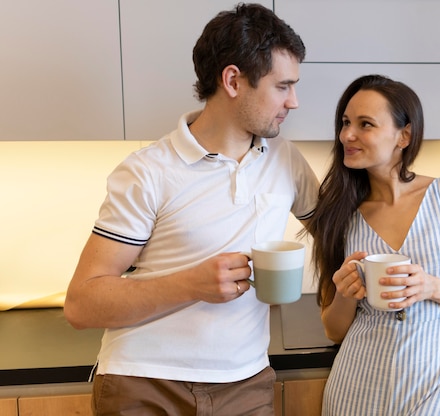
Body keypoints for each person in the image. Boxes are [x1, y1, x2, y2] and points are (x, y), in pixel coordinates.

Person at [63, 3, 319, 415]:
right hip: (143, 382)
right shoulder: (148, 171)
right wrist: (191, 285)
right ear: (233, 80)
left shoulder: (285, 160)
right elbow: (81, 304)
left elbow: (342, 231)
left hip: (246, 384)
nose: (294, 102)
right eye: (283, 86)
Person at [305, 74, 440, 415]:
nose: (347, 134)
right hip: (357, 390)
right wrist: (345, 293)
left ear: (403, 135)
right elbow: (335, 330)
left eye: (365, 124)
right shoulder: (340, 215)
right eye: (346, 122)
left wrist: (431, 286)